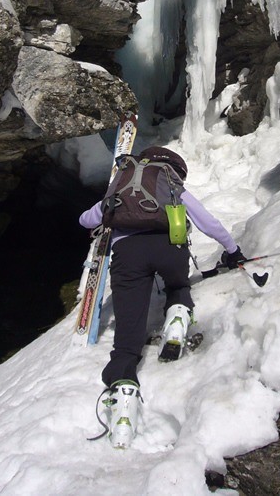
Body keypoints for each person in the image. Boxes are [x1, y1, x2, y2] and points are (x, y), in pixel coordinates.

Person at [79, 145, 245, 447]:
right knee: (178, 286)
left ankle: (124, 392)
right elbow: (207, 221)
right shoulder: (168, 181)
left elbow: (87, 220)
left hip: (127, 255)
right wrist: (232, 250)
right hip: (171, 247)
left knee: (127, 341)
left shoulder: (122, 181)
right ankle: (178, 316)